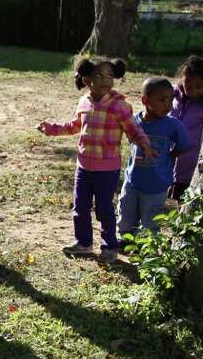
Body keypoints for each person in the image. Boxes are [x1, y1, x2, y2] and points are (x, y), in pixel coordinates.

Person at [37, 57, 155, 264]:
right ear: (86, 80)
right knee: (80, 207)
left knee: (104, 208)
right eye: (99, 75)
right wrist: (52, 128)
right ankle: (83, 243)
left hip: (107, 169)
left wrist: (144, 144)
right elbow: (74, 126)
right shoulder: (84, 102)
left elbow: (133, 129)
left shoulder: (120, 106)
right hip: (83, 167)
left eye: (110, 75)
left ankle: (109, 246)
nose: (105, 80)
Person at [118, 77, 190, 242]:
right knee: (126, 216)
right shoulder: (134, 121)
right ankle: (125, 242)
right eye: (162, 99)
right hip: (132, 181)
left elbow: (183, 145)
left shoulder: (173, 125)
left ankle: (149, 249)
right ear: (145, 100)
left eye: (171, 99)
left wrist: (170, 157)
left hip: (157, 185)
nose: (168, 104)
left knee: (151, 222)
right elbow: (131, 141)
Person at [168, 56, 203, 200]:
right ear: (182, 82)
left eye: (199, 86)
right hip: (169, 164)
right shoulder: (173, 97)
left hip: (193, 168)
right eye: (189, 87)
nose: (194, 91)